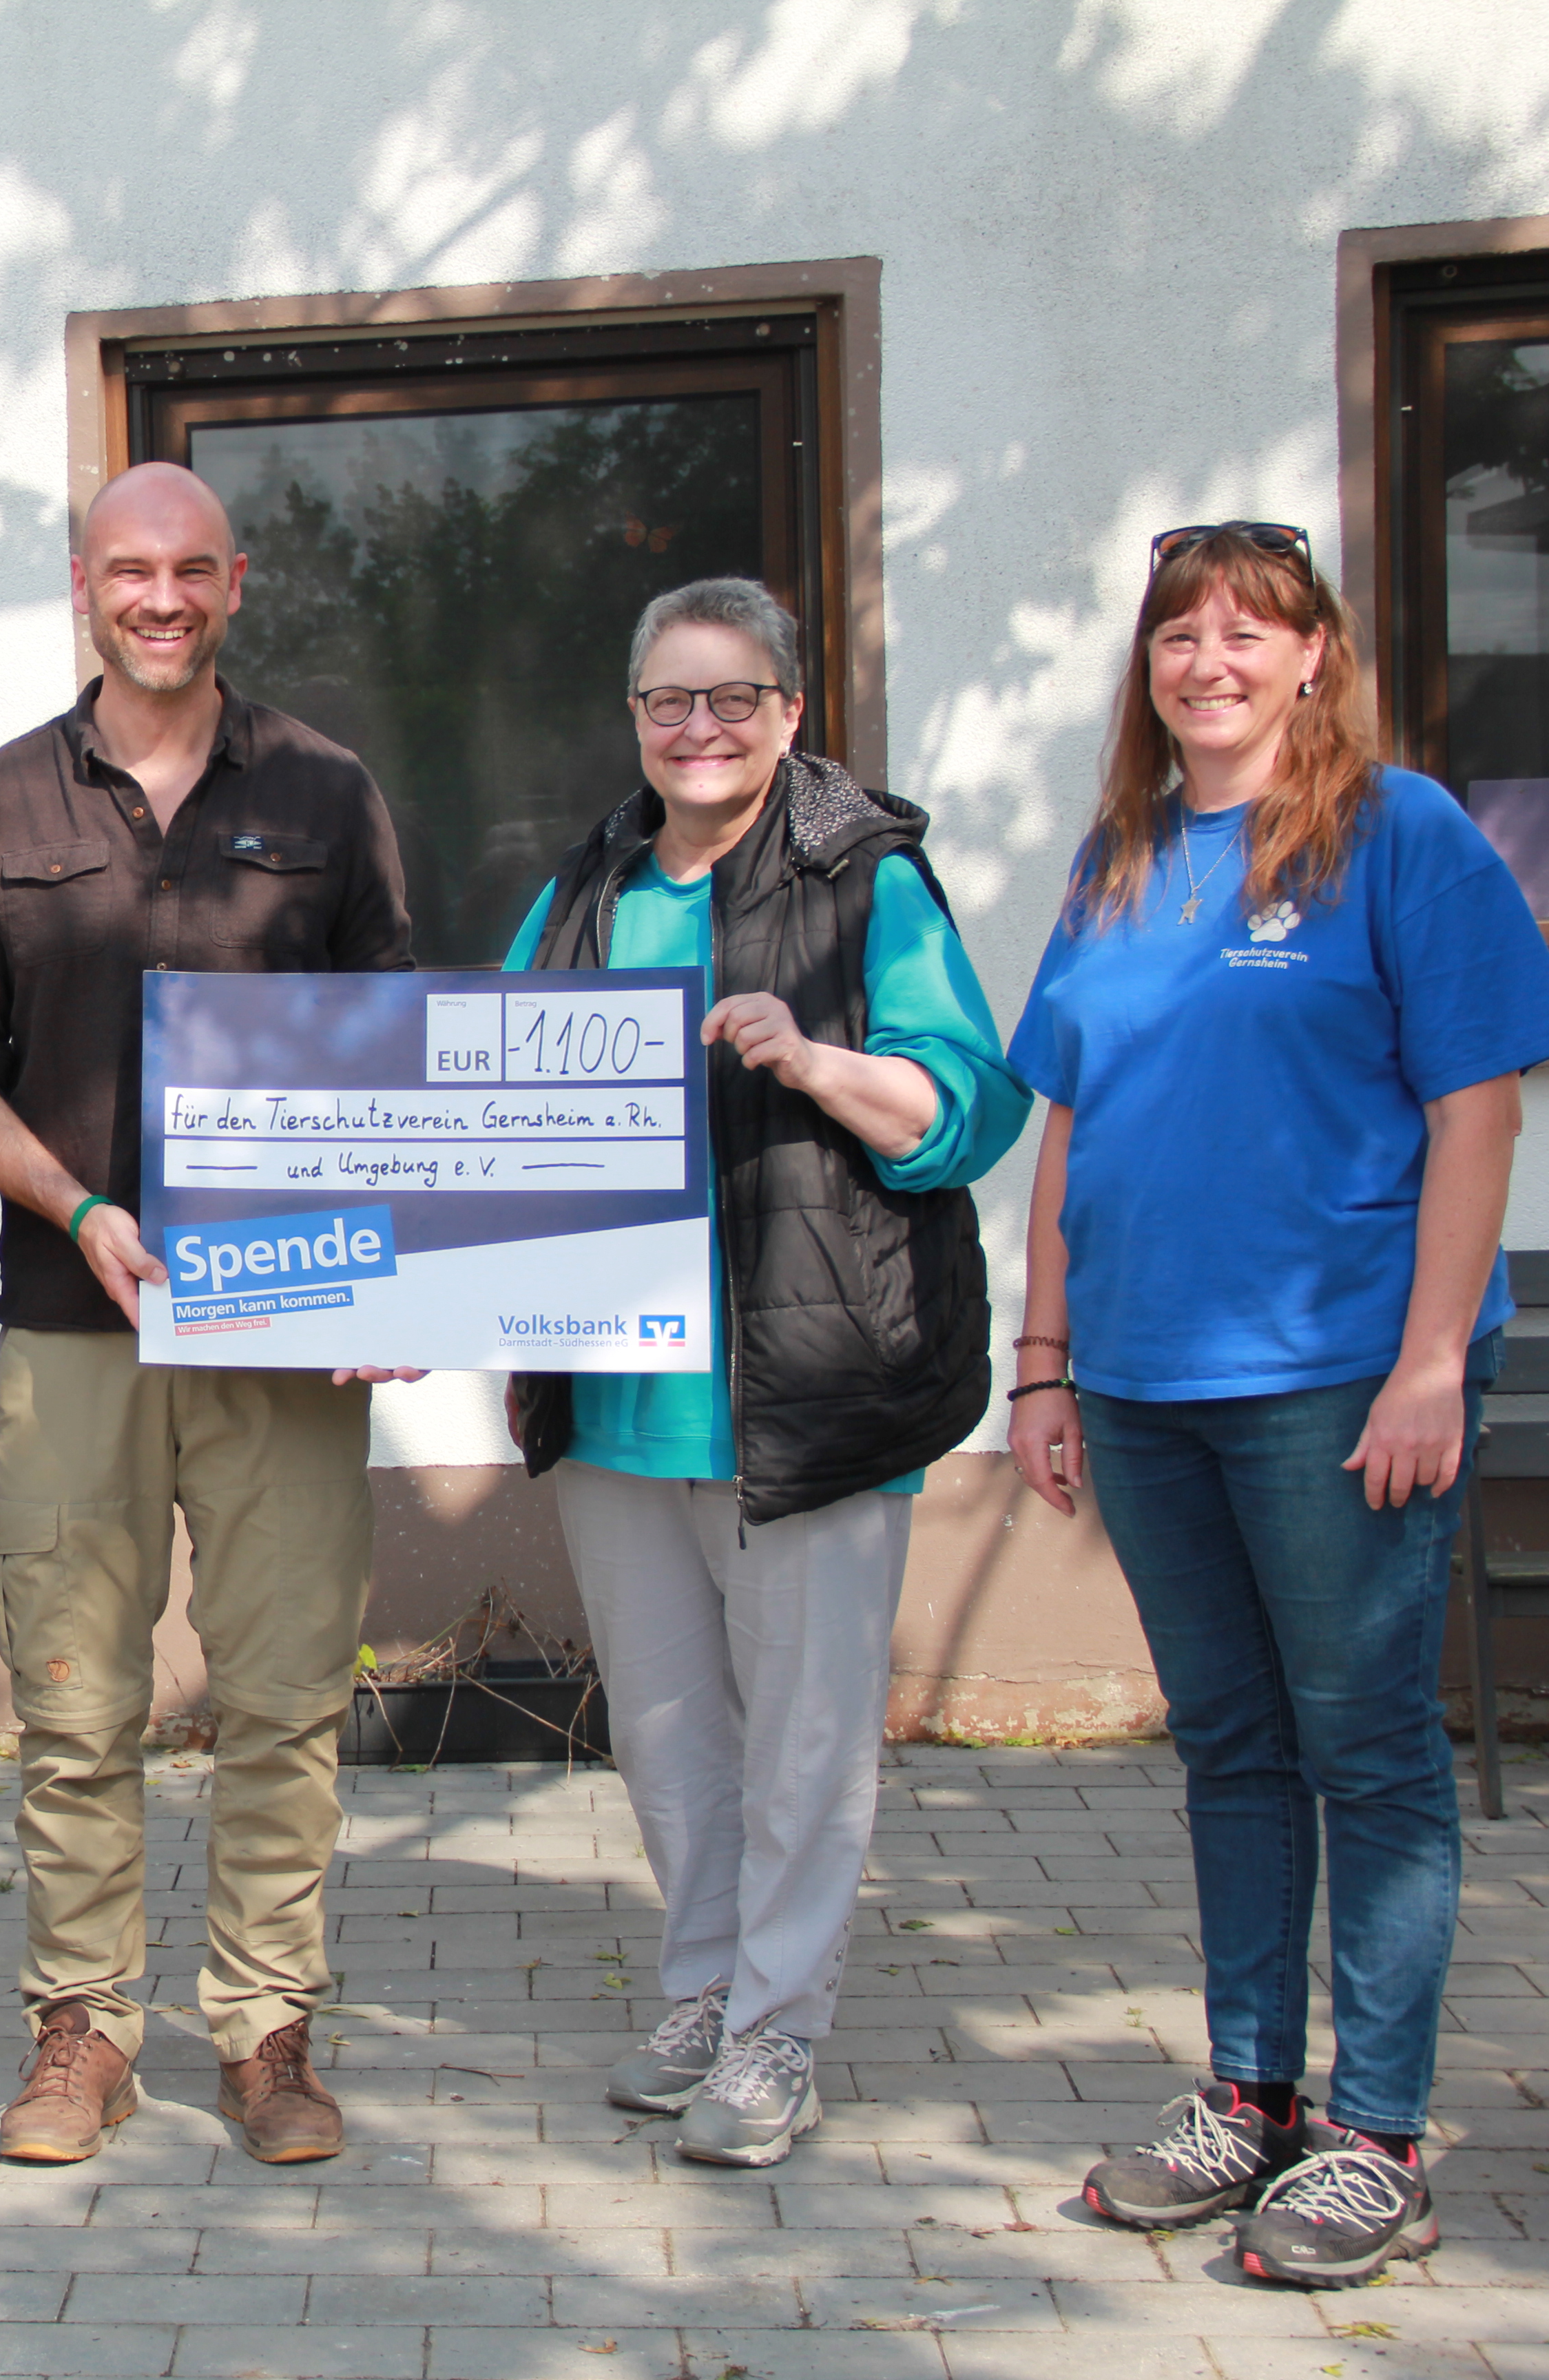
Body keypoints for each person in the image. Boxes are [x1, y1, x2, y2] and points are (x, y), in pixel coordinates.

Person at [1011, 522, 1549, 2286]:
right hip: (1147, 1374)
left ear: (1315, 656)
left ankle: (1379, 2137)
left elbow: (1476, 1113)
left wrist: (1430, 1361)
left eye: (1250, 632)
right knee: (1233, 1748)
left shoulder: (1401, 836)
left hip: (1341, 1377)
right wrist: (1041, 1361)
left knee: (1369, 1750)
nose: (1211, 661)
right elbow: (1071, 1126)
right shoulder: (1117, 858)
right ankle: (1248, 2095)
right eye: (1180, 634)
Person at [0, 461, 417, 2168]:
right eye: (133, 569)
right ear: (84, 585)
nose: (163, 597)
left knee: (284, 1696)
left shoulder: (330, 795)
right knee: (74, 1701)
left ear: (237, 582)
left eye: (194, 568)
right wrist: (77, 1204)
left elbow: (396, 1061)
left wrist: (401, 1270)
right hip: (71, 1321)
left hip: (284, 1327)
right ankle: (83, 2034)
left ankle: (269, 2034)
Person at [499, 576, 1027, 2169]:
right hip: (617, 1400)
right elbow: (485, 1122)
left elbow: (971, 1109)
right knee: (667, 1728)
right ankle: (704, 1986)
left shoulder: (867, 881)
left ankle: (778, 2034)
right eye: (670, 698)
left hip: (812, 1381)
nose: (700, 727)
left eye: (735, 697)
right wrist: (407, 1284)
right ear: (638, 719)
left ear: (792, 713)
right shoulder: (583, 891)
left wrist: (811, 1058)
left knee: (805, 1736)